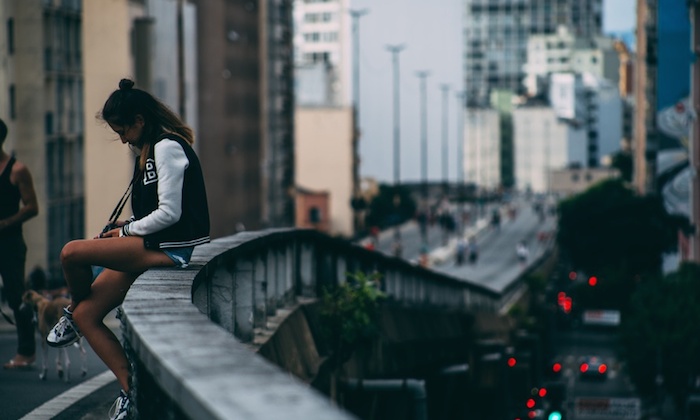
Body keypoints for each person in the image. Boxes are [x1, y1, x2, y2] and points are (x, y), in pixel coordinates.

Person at [45, 79, 210, 420]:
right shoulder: (149, 149)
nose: (122, 139)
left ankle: (71, 307)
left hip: (169, 250)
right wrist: (127, 225)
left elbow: (170, 213)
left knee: (71, 254)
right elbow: (153, 209)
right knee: (88, 316)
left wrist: (126, 232)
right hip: (153, 244)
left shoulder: (167, 147)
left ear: (139, 120)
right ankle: (130, 390)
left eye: (123, 131)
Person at [0, 118, 39, 370]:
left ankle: (26, 352)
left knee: (17, 297)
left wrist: (5, 224)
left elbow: (32, 207)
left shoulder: (17, 170)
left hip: (10, 242)